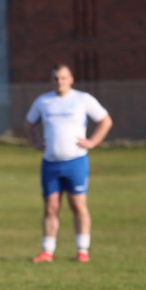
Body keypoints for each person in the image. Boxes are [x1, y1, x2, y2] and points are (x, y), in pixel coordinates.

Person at [24, 64, 112, 263]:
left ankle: (82, 250)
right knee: (51, 207)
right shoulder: (44, 101)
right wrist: (36, 142)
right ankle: (47, 251)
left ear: (71, 79)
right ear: (51, 80)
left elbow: (105, 121)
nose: (59, 82)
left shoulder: (82, 99)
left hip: (76, 162)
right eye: (56, 78)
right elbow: (29, 124)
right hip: (50, 163)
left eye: (63, 78)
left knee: (77, 205)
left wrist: (93, 141)